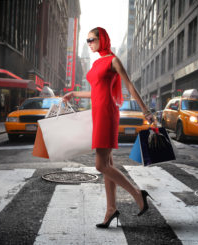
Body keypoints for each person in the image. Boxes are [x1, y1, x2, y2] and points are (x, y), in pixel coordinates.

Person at [63, 27, 154, 229]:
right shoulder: (96, 62)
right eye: (87, 40)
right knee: (107, 163)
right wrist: (74, 94)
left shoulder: (113, 60)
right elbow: (96, 92)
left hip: (107, 114)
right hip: (97, 113)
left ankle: (137, 194)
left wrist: (146, 112)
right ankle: (111, 210)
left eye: (92, 39)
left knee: (100, 165)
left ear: (102, 39)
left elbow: (129, 86)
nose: (89, 43)